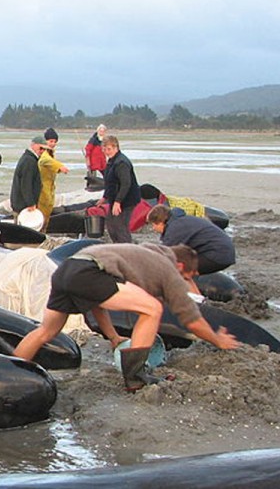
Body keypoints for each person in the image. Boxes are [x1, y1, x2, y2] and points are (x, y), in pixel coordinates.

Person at [12, 243, 238, 391]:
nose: (189, 281)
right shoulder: (169, 271)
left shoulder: (138, 255)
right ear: (180, 266)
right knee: (151, 309)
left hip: (66, 269)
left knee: (46, 332)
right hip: (89, 271)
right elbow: (192, 320)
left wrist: (112, 337)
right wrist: (218, 340)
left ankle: (13, 372)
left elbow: (97, 302)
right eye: (190, 276)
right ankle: (135, 378)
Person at [147, 204, 236, 274]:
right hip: (226, 252)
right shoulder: (183, 220)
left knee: (181, 270)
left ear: (161, 221)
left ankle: (189, 295)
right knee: (184, 267)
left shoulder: (175, 228)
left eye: (154, 225)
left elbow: (165, 254)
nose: (153, 228)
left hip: (217, 255)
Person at [99, 135, 140, 243]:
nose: (107, 152)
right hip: (114, 198)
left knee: (120, 225)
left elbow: (126, 183)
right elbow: (109, 182)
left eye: (109, 149)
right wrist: (104, 197)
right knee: (110, 224)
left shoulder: (121, 163)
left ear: (116, 148)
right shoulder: (111, 161)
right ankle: (117, 246)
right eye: (104, 149)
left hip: (126, 199)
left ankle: (127, 251)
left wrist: (118, 202)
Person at [37, 128, 69, 231]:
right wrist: (60, 166)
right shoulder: (44, 154)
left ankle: (44, 232)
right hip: (42, 189)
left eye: (55, 142)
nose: (53, 144)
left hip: (49, 188)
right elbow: (46, 161)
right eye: (50, 141)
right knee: (42, 215)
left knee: (47, 213)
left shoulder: (50, 153)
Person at [10, 136, 45, 215]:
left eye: (45, 149)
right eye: (41, 148)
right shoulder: (29, 161)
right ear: (33, 145)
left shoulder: (29, 158)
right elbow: (26, 184)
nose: (42, 151)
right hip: (23, 205)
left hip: (22, 203)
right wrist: (30, 203)